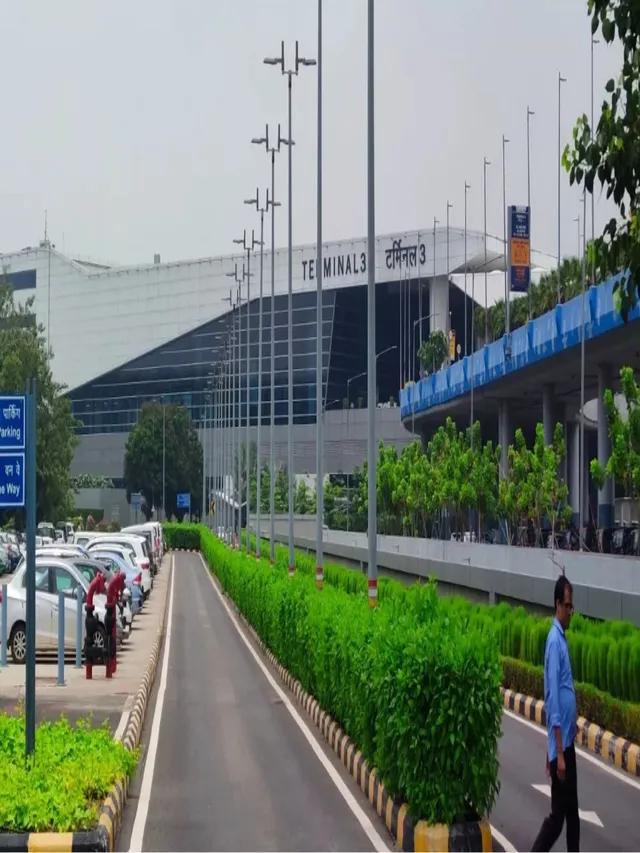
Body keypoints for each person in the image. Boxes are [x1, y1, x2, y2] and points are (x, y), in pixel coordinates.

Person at [532, 574, 579, 852]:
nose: (571, 612)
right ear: (558, 605)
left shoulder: (562, 639)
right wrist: (557, 754)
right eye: (568, 606)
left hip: (566, 743)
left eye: (572, 607)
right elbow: (552, 700)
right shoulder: (554, 641)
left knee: (571, 813)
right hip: (563, 748)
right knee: (558, 818)